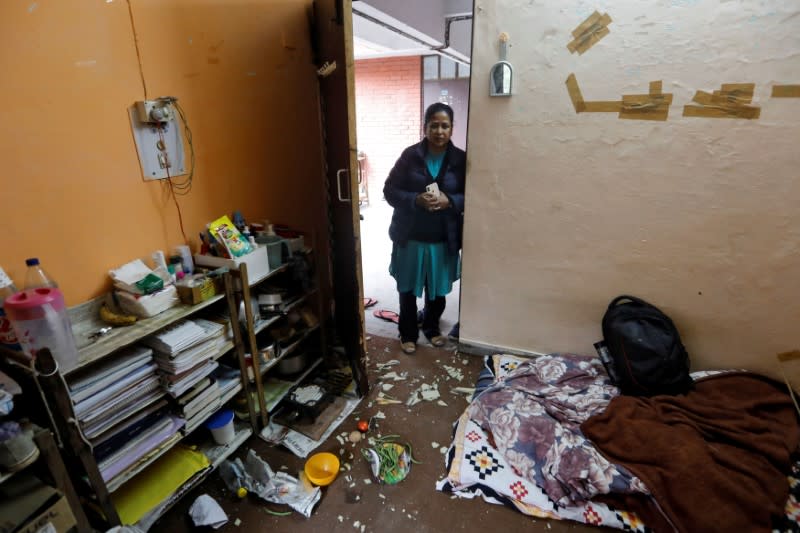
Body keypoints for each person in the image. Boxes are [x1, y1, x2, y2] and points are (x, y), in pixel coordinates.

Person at [383, 102, 466, 354]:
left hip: (443, 239)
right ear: (425, 127)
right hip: (410, 237)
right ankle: (407, 332)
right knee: (407, 289)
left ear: (452, 129)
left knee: (436, 290)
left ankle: (431, 328)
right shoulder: (410, 156)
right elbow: (390, 190)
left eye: (445, 126)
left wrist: (450, 200)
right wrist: (415, 199)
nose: (439, 131)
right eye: (434, 125)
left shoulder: (460, 159)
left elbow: (472, 194)